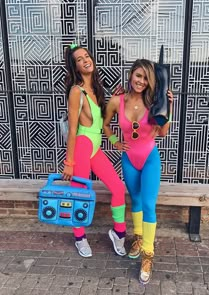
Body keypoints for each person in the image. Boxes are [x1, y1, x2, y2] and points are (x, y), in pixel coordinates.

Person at [103, 59, 173, 284]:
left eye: (145, 78)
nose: (141, 81)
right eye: (138, 76)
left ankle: (148, 254)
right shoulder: (117, 100)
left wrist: (168, 108)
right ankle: (139, 238)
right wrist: (114, 141)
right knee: (135, 201)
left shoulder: (154, 101)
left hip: (150, 158)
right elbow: (105, 124)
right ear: (131, 74)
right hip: (129, 159)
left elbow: (162, 134)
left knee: (149, 204)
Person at [62, 44, 127, 258]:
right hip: (81, 147)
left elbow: (101, 119)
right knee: (79, 194)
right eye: (79, 59)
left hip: (95, 148)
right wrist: (69, 162)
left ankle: (119, 233)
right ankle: (80, 238)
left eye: (87, 56)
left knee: (118, 188)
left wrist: (116, 98)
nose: (85, 60)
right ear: (75, 67)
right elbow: (73, 129)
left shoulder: (96, 90)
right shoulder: (76, 91)